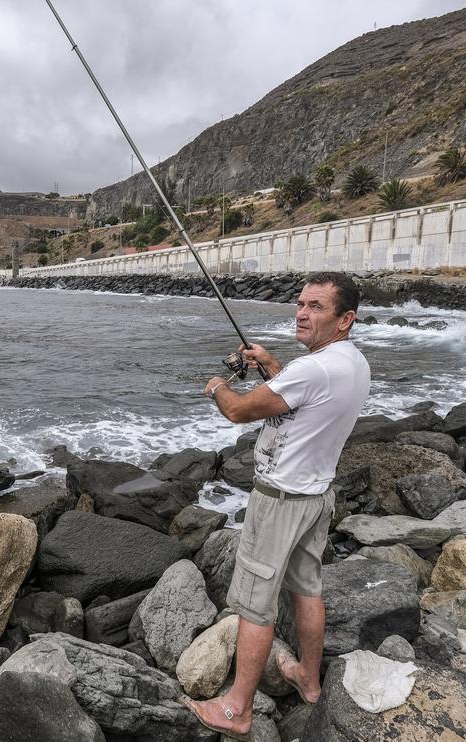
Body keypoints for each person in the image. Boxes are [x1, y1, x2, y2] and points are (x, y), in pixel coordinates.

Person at [182, 271, 370, 740]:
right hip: (316, 495)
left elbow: (240, 410)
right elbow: (303, 393)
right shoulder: (350, 362)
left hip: (280, 500)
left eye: (317, 307)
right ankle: (309, 678)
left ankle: (236, 710)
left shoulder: (315, 368)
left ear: (345, 319)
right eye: (301, 304)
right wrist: (271, 364)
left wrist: (214, 387)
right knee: (307, 587)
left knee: (255, 605)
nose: (303, 313)